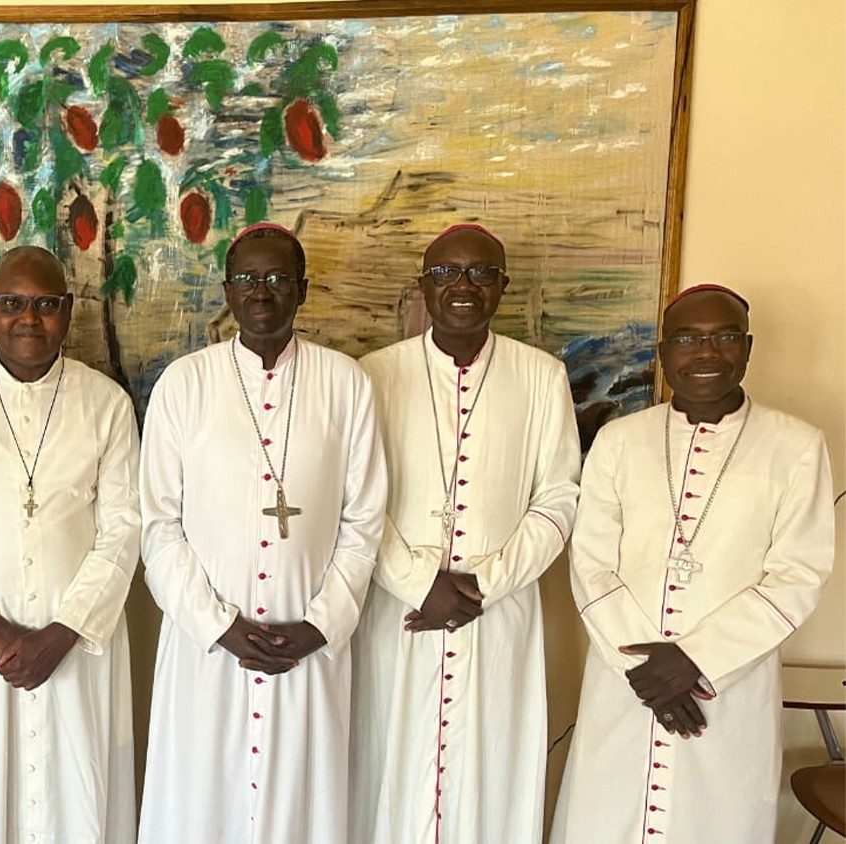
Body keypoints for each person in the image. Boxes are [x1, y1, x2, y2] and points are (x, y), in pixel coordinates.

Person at [552, 285, 834, 843]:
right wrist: (647, 669)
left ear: (747, 348)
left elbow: (800, 573)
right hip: (624, 678)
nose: (706, 353)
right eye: (688, 339)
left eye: (723, 337)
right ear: (663, 351)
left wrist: (696, 661)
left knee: (716, 819)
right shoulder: (619, 440)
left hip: (729, 682)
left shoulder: (797, 445)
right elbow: (590, 559)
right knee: (607, 817)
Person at [137, 223, 387, 843]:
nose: (262, 291)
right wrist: (216, 625)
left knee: (304, 809)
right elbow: (158, 526)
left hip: (307, 648)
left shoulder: (346, 384)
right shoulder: (183, 385)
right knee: (200, 807)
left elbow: (364, 522)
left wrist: (320, 625)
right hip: (207, 653)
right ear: (226, 290)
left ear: (302, 290)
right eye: (247, 278)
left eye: (278, 278)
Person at [348, 224, 581, 843]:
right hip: (399, 608)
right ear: (424, 285)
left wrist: (484, 584)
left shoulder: (541, 376)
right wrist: (417, 581)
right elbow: (357, 498)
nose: (464, 286)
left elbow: (558, 497)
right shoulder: (372, 374)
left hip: (497, 612)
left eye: (481, 273)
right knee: (386, 769)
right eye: (447, 272)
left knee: (491, 770)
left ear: (501, 285)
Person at [0, 245, 139, 843]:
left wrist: (60, 634)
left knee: (76, 802)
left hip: (77, 649)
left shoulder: (106, 403)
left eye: (46, 305)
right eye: (12, 304)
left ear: (68, 310)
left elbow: (124, 529)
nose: (28, 319)